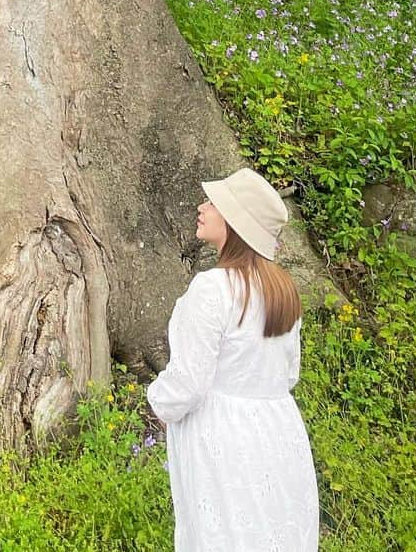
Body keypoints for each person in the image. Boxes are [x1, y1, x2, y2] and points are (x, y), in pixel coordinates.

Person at [146, 167, 320, 552]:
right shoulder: (282, 290)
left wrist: (157, 401)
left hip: (223, 437)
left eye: (214, 202)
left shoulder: (212, 290)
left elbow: (189, 384)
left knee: (225, 534)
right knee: (273, 531)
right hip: (279, 433)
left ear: (236, 222)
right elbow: (288, 375)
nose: (202, 207)